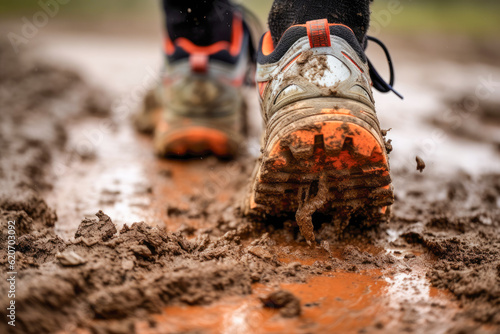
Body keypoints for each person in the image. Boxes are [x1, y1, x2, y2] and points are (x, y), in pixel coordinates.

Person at [152, 0, 402, 219]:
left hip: (191, 83)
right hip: (344, 71)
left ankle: (202, 59)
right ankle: (333, 42)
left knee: (198, 20)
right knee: (325, 10)